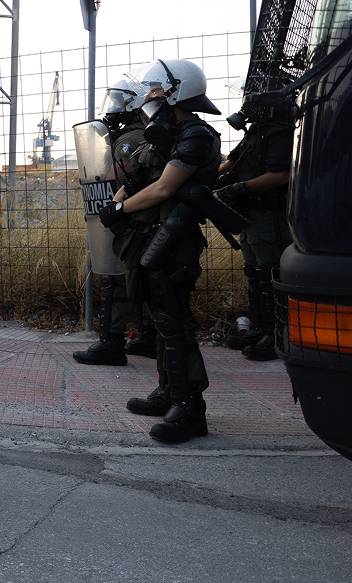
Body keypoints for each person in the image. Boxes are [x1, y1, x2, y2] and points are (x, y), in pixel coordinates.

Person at [100, 59, 223, 444]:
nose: (147, 97)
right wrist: (117, 204)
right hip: (151, 237)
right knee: (160, 318)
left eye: (154, 90)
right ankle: (169, 392)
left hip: (174, 240)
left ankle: (190, 408)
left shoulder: (197, 134)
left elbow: (165, 187)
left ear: (176, 91)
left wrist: (121, 209)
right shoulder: (165, 133)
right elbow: (139, 176)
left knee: (174, 322)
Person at [74, 78, 150, 367]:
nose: (112, 107)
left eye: (118, 101)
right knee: (142, 280)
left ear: (133, 105)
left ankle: (112, 344)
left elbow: (121, 182)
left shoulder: (130, 140)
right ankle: (149, 339)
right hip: (138, 219)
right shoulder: (136, 135)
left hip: (128, 220)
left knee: (116, 280)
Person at [216, 93, 294, 361]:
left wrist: (240, 188)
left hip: (269, 215)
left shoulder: (279, 133)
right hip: (251, 214)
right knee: (254, 272)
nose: (246, 106)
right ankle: (261, 328)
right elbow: (232, 162)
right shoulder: (257, 132)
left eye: (252, 102)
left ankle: (277, 335)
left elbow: (280, 174)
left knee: (271, 273)